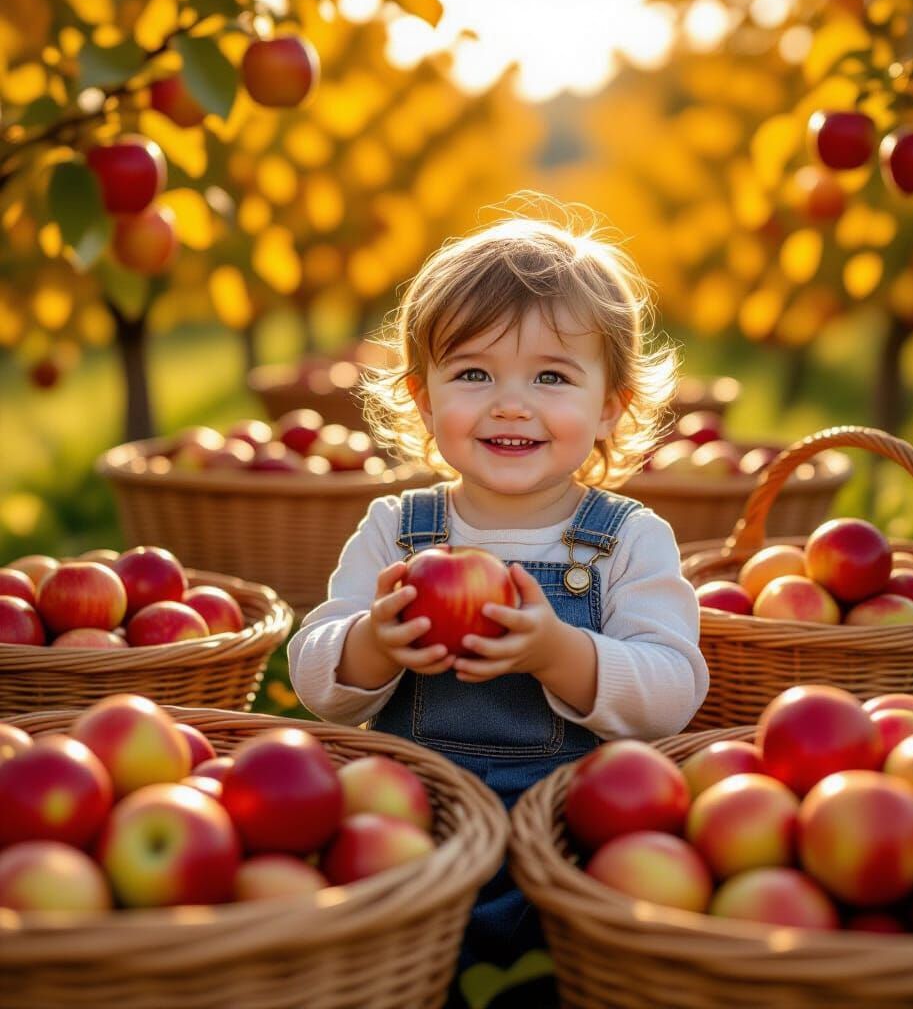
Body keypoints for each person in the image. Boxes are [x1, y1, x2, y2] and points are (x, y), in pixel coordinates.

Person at [288, 196, 709, 1006]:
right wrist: (372, 643)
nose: (510, 403)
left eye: (551, 376)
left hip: (572, 838)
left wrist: (560, 652)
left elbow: (673, 691)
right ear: (422, 397)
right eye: (473, 373)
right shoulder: (397, 531)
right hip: (417, 833)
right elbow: (312, 674)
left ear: (610, 405)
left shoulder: (626, 540)